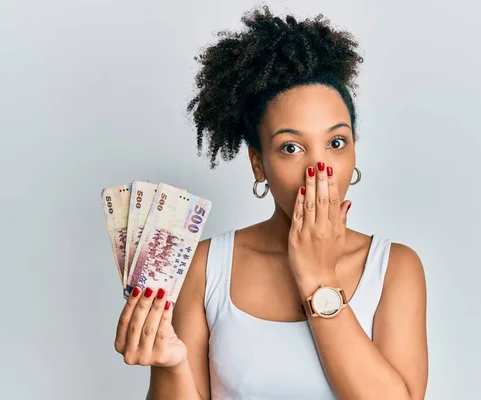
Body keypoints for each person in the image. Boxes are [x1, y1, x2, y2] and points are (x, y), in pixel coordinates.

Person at [114, 6, 428, 399]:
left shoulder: (394, 267)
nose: (321, 168)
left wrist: (318, 278)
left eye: (336, 142)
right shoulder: (207, 268)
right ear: (258, 165)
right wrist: (170, 365)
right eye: (291, 147)